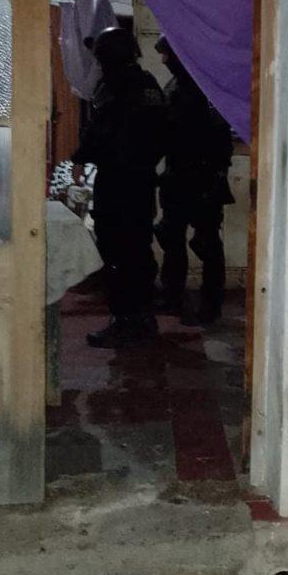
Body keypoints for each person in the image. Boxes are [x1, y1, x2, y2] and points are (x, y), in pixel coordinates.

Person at [73, 26, 166, 348]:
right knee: (138, 250)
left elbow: (100, 133)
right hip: (141, 181)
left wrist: (80, 157)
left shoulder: (116, 86)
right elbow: (161, 135)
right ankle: (143, 319)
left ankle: (126, 321)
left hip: (118, 183)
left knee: (118, 253)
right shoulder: (148, 84)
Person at [153, 35, 234, 324]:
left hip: (203, 179)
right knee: (171, 238)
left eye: (167, 54)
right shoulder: (175, 86)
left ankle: (210, 306)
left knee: (206, 243)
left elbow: (221, 141)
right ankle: (172, 296)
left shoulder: (206, 89)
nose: (164, 60)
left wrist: (214, 176)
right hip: (177, 176)